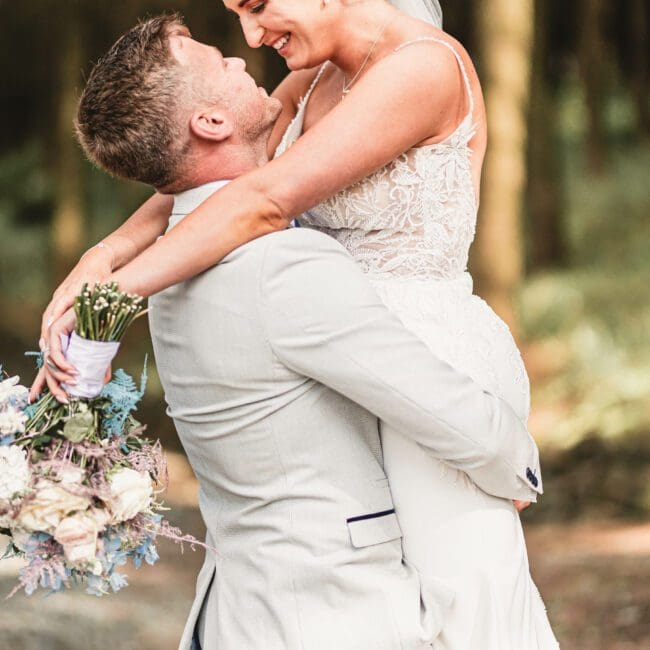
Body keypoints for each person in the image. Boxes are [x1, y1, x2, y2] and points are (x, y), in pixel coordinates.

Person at [36, 2, 559, 648]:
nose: (250, 37)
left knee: (469, 608)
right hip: (339, 369)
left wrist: (112, 300)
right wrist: (99, 257)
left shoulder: (421, 67)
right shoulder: (306, 83)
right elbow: (191, 179)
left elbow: (262, 198)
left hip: (431, 363)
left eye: (256, 6)